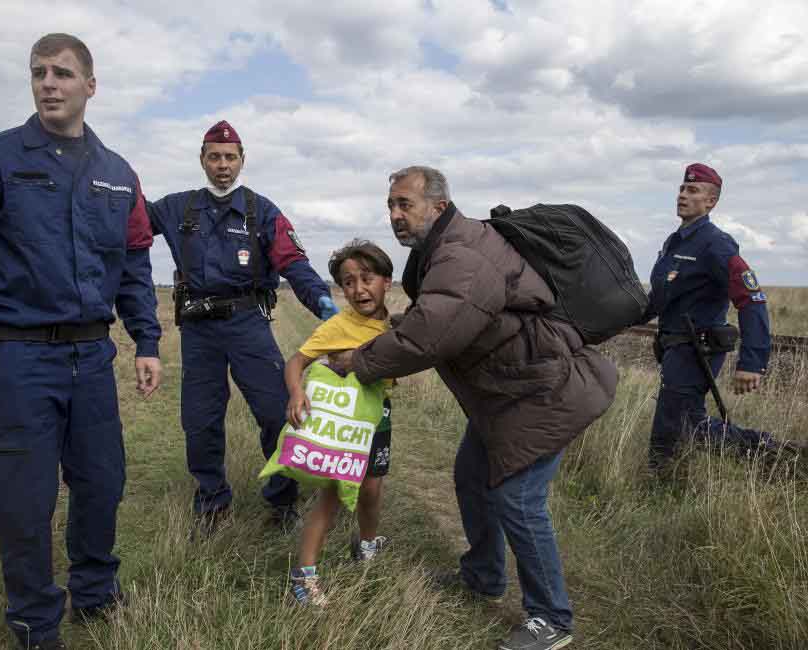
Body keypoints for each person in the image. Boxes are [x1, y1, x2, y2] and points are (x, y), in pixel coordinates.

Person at [0, 33, 161, 650]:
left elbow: (132, 264)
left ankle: (97, 594)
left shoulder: (117, 175)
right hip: (20, 356)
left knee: (103, 481)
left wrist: (147, 340)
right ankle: (33, 619)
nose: (49, 83)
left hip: (92, 355)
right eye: (39, 73)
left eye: (63, 73)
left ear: (90, 87)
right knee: (25, 498)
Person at [332, 166, 617, 650]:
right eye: (392, 207)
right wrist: (392, 330)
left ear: (439, 206)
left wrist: (361, 362)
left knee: (518, 499)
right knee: (471, 476)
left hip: (541, 391)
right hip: (509, 393)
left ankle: (552, 618)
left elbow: (433, 334)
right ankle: (484, 576)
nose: (396, 216)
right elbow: (445, 315)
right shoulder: (446, 249)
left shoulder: (461, 254)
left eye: (406, 204)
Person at [147, 121, 337, 534]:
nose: (222, 165)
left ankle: (282, 501)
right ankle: (212, 502)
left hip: (248, 324)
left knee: (275, 412)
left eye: (230, 157)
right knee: (200, 420)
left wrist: (324, 304)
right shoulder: (176, 208)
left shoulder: (262, 211)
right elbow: (128, 223)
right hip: (198, 330)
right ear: (201, 159)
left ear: (242, 161)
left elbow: (293, 262)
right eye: (214, 156)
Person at [643, 163, 800, 471]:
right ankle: (665, 478)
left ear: (711, 201)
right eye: (681, 189)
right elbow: (657, 300)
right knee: (682, 422)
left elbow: (752, 298)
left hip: (697, 348)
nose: (682, 195)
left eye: (692, 190)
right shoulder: (675, 243)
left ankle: (780, 456)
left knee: (681, 425)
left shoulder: (716, 244)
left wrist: (752, 362)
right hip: (674, 348)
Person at [283, 239, 395, 606]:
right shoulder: (337, 327)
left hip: (377, 422)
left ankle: (366, 545)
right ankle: (304, 574)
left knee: (373, 489)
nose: (359, 289)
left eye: (367, 278)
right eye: (348, 282)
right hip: (342, 425)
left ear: (387, 282)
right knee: (332, 493)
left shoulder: (396, 328)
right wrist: (297, 393)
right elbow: (296, 361)